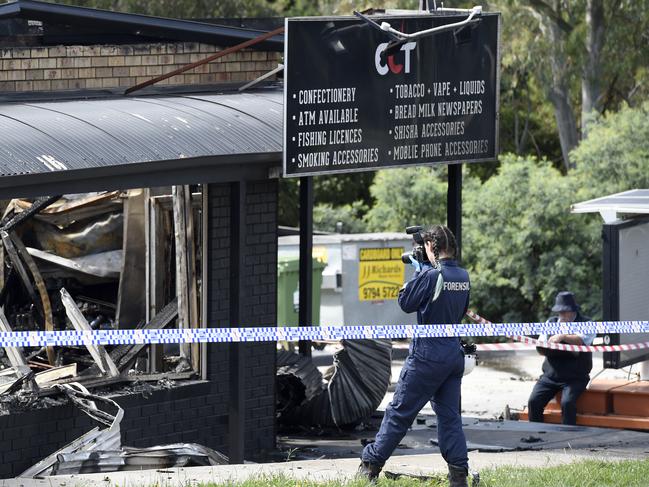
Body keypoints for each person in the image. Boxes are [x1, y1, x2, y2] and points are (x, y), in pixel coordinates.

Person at [358, 225, 473, 487]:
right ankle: (459, 476)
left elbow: (405, 302)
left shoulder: (432, 275)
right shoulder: (463, 275)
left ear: (431, 246)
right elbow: (461, 309)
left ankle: (370, 466)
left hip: (427, 356)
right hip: (452, 356)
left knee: (399, 413)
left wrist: (418, 272)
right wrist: (426, 273)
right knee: (449, 417)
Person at [527, 291, 595, 425]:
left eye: (565, 311)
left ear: (573, 310)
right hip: (550, 376)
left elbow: (582, 340)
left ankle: (567, 438)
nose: (562, 315)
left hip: (575, 377)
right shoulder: (550, 322)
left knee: (568, 403)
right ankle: (536, 435)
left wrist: (562, 336)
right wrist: (545, 344)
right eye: (560, 312)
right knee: (533, 401)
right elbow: (540, 346)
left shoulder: (587, 323)